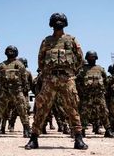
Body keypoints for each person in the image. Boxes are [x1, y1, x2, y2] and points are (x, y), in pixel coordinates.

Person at [25, 13, 88, 150]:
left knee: (72, 108)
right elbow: (40, 61)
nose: (58, 23)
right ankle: (33, 138)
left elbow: (79, 59)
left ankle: (78, 138)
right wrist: (48, 73)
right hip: (50, 79)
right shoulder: (46, 41)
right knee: (42, 108)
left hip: (67, 79)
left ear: (65, 23)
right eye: (56, 21)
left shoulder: (71, 40)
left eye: (61, 21)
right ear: (51, 24)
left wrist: (70, 72)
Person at [0, 45, 31, 138]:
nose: (10, 53)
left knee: (22, 111)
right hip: (5, 91)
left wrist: (22, 90)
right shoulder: (2, 65)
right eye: (8, 51)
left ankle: (26, 130)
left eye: (12, 51)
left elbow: (24, 79)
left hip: (17, 91)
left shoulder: (19, 64)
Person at [77, 50, 114, 137]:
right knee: (84, 113)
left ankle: (108, 130)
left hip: (99, 95)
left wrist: (103, 90)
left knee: (104, 112)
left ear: (96, 58)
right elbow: (78, 81)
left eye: (93, 57)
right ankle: (82, 131)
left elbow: (106, 80)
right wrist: (82, 91)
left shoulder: (100, 69)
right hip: (87, 95)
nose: (91, 59)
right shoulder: (83, 69)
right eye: (90, 57)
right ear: (87, 58)